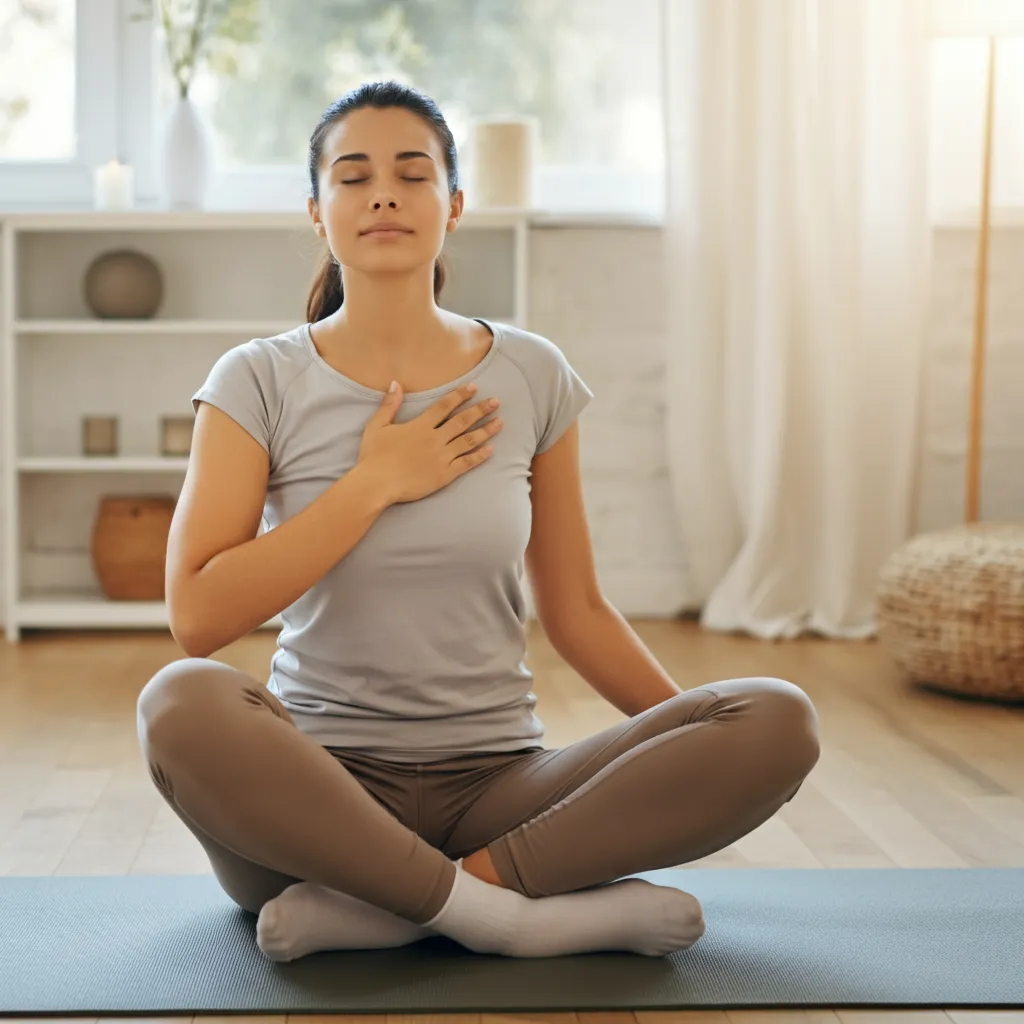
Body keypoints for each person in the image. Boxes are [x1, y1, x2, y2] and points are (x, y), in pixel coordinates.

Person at [137, 80, 821, 963]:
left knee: (777, 715)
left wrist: (691, 739)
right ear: (317, 211)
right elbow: (198, 618)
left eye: (411, 172)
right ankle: (509, 917)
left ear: (454, 205)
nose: (383, 192)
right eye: (353, 176)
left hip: (501, 788)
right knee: (178, 700)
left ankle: (402, 909)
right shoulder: (255, 380)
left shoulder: (532, 373)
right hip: (315, 799)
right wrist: (374, 482)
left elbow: (575, 609)